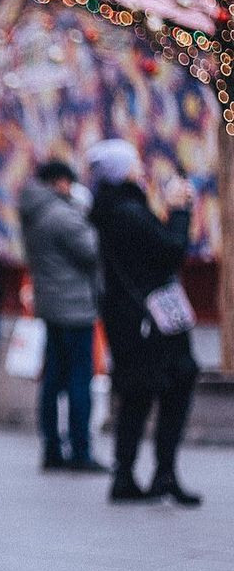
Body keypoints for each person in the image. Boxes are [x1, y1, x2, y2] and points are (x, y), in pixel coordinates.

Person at [88, 139, 201, 506]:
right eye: (134, 162)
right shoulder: (128, 212)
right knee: (174, 383)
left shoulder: (112, 209)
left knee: (137, 394)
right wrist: (180, 211)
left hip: (131, 318)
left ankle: (130, 474)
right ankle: (161, 473)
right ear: (122, 171)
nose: (141, 167)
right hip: (151, 321)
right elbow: (170, 251)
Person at [18, 160, 105, 472]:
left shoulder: (34, 211)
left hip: (51, 305)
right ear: (59, 182)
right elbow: (92, 250)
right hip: (74, 306)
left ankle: (52, 448)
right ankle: (80, 450)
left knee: (53, 379)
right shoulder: (61, 214)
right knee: (80, 379)